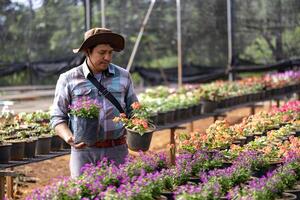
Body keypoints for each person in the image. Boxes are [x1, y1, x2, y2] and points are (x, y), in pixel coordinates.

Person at [50, 27, 138, 178]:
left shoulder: (124, 76)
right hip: (84, 152)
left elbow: (134, 111)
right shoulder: (69, 78)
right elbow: (57, 117)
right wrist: (68, 136)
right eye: (102, 52)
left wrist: (139, 125)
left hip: (117, 150)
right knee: (84, 193)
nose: (108, 57)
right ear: (87, 52)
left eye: (110, 52)